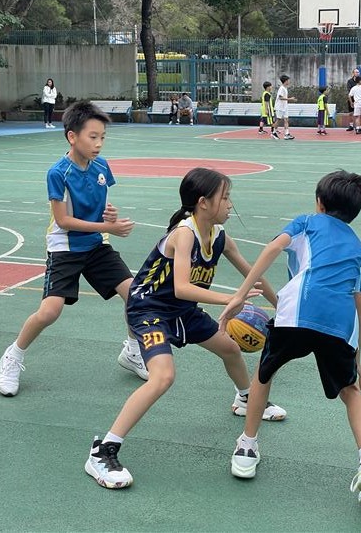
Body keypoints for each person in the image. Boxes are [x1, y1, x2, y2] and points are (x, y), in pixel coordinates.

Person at [85, 167, 287, 489]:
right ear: (203, 202)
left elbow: (254, 277)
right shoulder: (184, 234)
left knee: (229, 348)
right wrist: (231, 299)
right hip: (149, 309)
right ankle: (103, 451)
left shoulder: (219, 236)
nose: (230, 204)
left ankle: (245, 399)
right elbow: (181, 287)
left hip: (182, 310)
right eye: (225, 197)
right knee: (163, 376)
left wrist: (282, 308)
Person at [219, 170, 361, 509]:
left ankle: (247, 447)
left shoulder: (307, 222)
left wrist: (240, 294)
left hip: (298, 311)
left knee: (264, 375)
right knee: (351, 391)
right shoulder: (358, 248)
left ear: (320, 202)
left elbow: (272, 248)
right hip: (339, 323)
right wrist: (357, 357)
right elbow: (358, 304)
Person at [0, 101, 149, 397]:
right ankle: (13, 355)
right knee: (49, 312)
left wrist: (110, 215)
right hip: (65, 248)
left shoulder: (101, 166)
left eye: (102, 137)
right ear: (72, 136)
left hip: (96, 246)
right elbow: (64, 221)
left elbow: (101, 203)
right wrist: (109, 227)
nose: (99, 143)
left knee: (135, 295)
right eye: (93, 137)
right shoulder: (59, 173)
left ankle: (132, 351)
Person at [273, 75, 296, 140]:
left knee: (286, 119)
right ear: (285, 81)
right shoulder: (281, 88)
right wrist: (290, 99)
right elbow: (280, 97)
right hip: (279, 107)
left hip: (284, 107)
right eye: (288, 80)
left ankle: (286, 134)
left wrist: (289, 100)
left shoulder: (285, 88)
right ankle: (274, 132)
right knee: (278, 120)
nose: (289, 81)